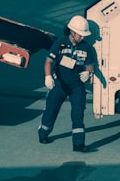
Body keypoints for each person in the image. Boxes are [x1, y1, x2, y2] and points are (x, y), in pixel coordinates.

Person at [38, 15, 97, 152]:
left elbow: (89, 65)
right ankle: (43, 133)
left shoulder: (86, 47)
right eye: (80, 35)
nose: (82, 38)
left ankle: (78, 144)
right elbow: (48, 61)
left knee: (78, 113)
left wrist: (88, 73)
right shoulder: (60, 43)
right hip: (60, 83)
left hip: (77, 86)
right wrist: (47, 76)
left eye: (84, 35)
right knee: (51, 110)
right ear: (72, 32)